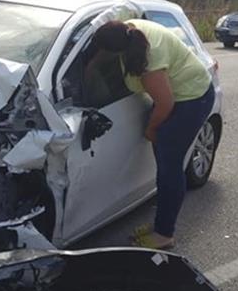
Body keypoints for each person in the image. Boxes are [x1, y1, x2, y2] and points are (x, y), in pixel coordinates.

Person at [91, 18, 215, 249]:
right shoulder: (128, 27)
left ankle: (164, 234)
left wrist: (151, 128)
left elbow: (165, 103)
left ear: (118, 51)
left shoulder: (149, 62)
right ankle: (161, 224)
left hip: (192, 99)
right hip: (179, 94)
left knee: (169, 166)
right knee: (165, 161)